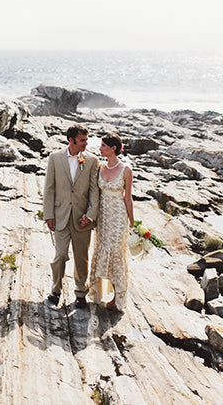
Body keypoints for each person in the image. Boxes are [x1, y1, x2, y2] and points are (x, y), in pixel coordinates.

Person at [42, 124, 100, 309]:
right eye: (82, 140)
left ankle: (81, 293)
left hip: (82, 219)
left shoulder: (91, 160)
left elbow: (94, 191)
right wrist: (49, 215)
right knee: (60, 255)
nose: (86, 143)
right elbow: (49, 189)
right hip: (60, 216)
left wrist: (90, 216)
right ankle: (55, 290)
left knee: (81, 257)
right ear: (71, 140)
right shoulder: (55, 158)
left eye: (86, 139)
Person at [88, 133, 133, 311]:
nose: (100, 149)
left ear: (113, 148)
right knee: (101, 250)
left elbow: (128, 198)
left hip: (118, 217)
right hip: (103, 217)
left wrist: (132, 222)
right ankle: (98, 292)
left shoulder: (126, 170)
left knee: (116, 254)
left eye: (103, 146)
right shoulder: (100, 167)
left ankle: (117, 296)